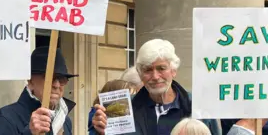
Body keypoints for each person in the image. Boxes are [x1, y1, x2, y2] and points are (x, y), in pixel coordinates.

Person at [91, 39, 220, 134]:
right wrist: (99, 131)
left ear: (173, 71)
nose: (155, 76)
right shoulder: (121, 108)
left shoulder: (199, 107)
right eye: (148, 70)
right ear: (140, 74)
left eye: (161, 68)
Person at [0, 46, 77, 135]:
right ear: (30, 81)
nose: (57, 85)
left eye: (62, 79)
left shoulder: (65, 121)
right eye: (50, 78)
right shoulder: (6, 117)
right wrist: (30, 132)